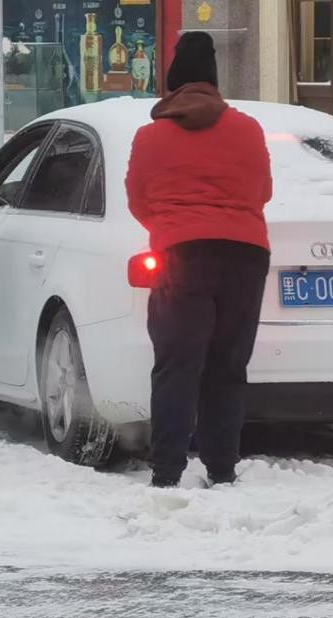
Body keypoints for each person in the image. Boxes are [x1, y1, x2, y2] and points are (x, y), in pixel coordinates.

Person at [125, 32, 273, 488]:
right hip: (246, 255)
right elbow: (262, 192)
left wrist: (171, 225)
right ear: (213, 78)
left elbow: (138, 200)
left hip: (181, 255)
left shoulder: (150, 136)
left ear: (172, 81)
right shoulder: (247, 128)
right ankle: (222, 469)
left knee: (177, 363)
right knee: (228, 365)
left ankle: (167, 470)